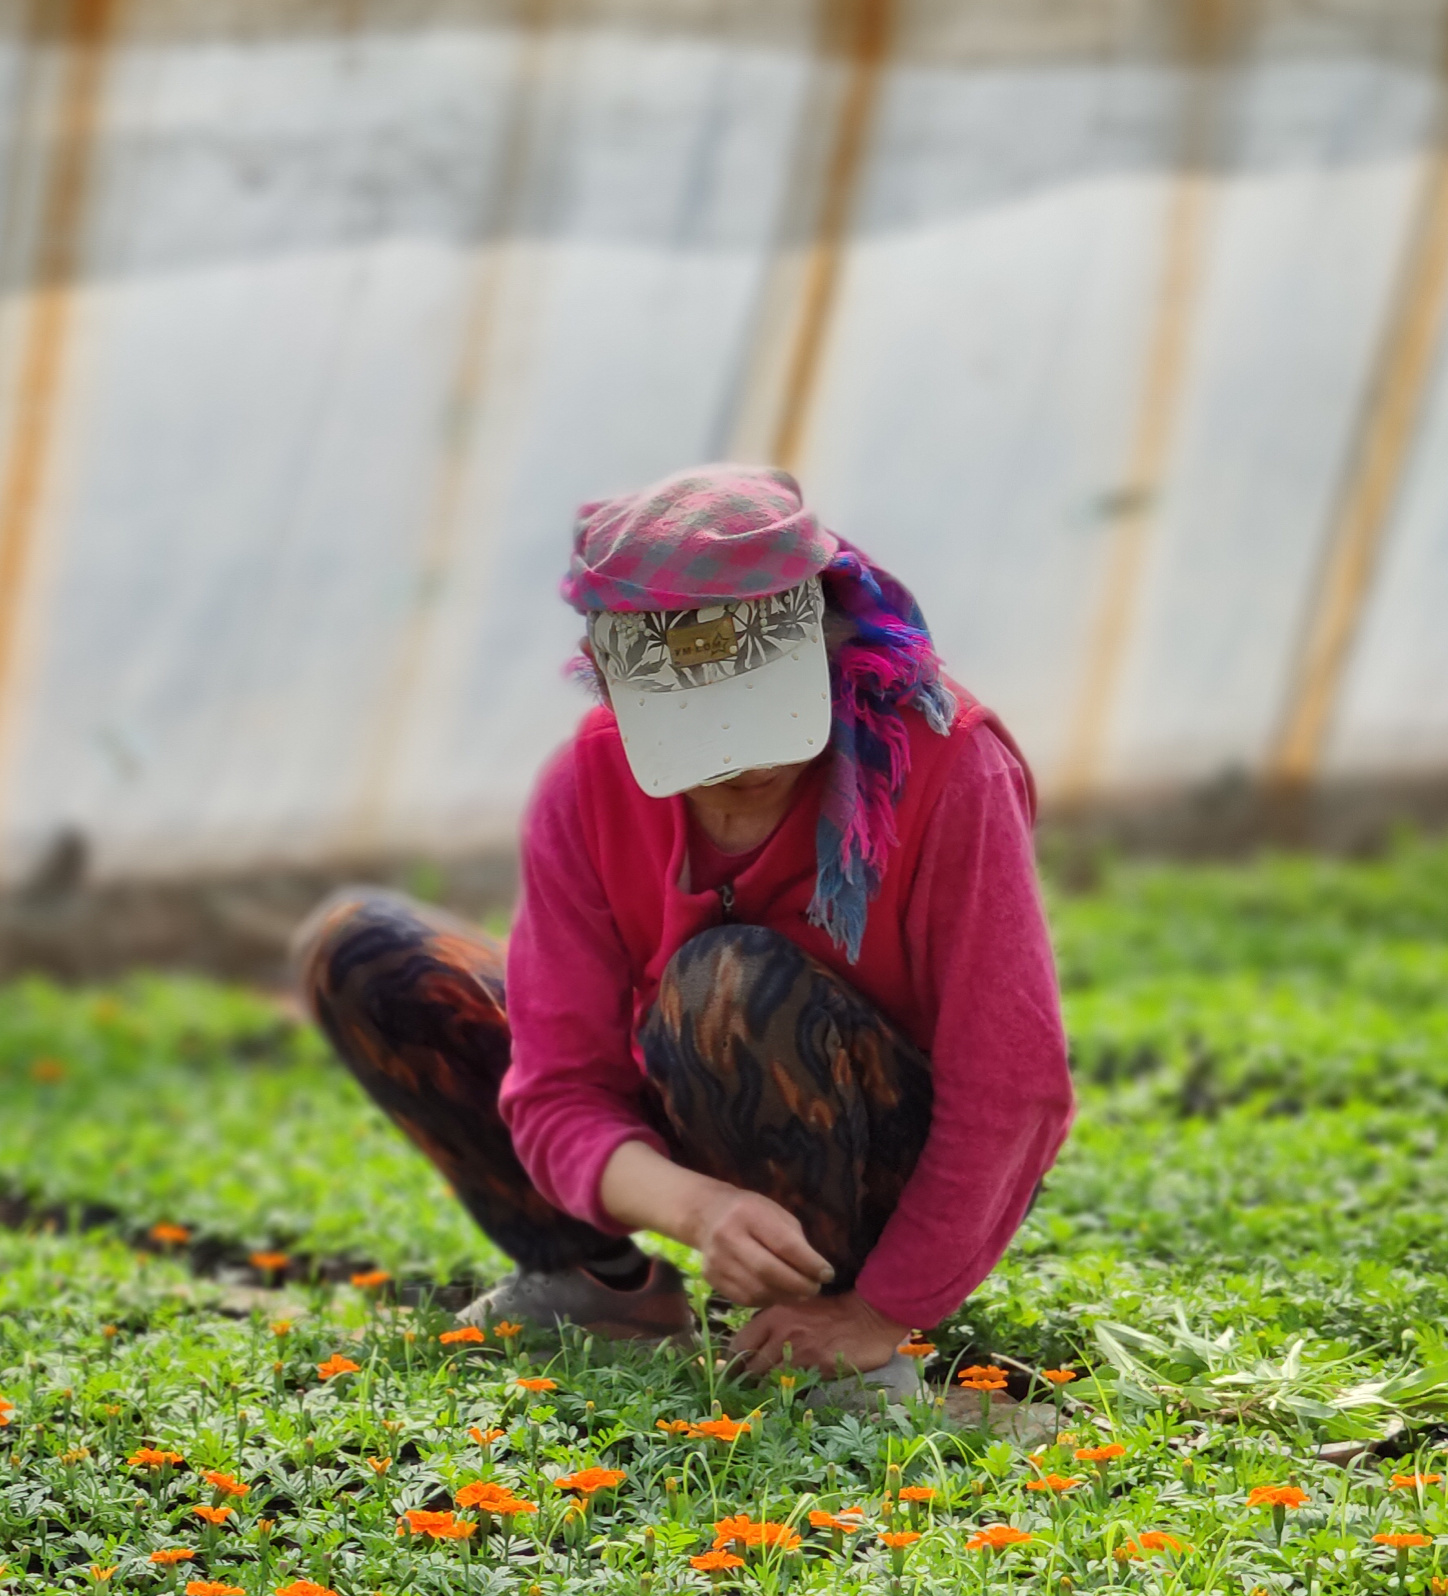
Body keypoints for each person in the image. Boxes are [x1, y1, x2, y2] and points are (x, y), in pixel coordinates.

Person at [297, 465, 1070, 1379]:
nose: (740, 763)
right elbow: (556, 1088)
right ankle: (605, 1284)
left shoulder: (947, 766)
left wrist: (878, 1310)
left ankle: (816, 1312)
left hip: (872, 1145)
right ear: (616, 694)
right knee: (364, 950)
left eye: (761, 715)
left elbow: (1011, 1084)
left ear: (822, 646)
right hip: (680, 1096)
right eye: (698, 728)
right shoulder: (585, 784)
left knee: (724, 980)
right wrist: (696, 1209)